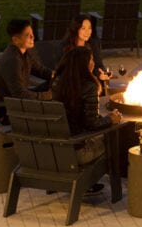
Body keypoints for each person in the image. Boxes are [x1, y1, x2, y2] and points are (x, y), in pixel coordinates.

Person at [51, 46, 123, 190]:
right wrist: (111, 120)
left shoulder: (57, 83)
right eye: (91, 59)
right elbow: (92, 124)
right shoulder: (89, 86)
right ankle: (96, 182)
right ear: (83, 64)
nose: (93, 62)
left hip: (54, 150)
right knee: (115, 137)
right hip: (77, 152)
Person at [0, 19, 55, 124]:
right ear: (16, 40)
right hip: (9, 110)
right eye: (28, 35)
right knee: (54, 99)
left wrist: (58, 76)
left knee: (55, 84)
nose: (33, 37)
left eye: (32, 33)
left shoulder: (24, 53)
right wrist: (48, 96)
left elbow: (41, 71)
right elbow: (20, 94)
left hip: (18, 102)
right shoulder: (12, 60)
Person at [53, 14, 110, 82]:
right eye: (83, 28)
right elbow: (61, 69)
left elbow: (98, 64)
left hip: (88, 80)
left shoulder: (92, 44)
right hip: (70, 81)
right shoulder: (65, 46)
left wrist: (101, 74)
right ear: (76, 29)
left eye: (89, 28)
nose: (87, 32)